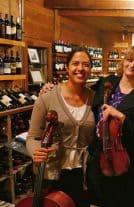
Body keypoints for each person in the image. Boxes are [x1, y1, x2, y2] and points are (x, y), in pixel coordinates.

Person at [26, 47, 95, 207]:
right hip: (52, 172)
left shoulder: (95, 98)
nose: (80, 68)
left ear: (90, 69)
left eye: (86, 64)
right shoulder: (47, 98)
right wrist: (35, 152)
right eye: (75, 63)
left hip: (82, 174)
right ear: (67, 67)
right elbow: (33, 136)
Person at [86, 45, 134, 207]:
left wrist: (121, 116)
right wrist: (53, 89)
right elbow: (81, 93)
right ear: (123, 62)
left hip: (123, 162)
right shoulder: (106, 82)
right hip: (97, 157)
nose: (132, 65)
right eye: (129, 60)